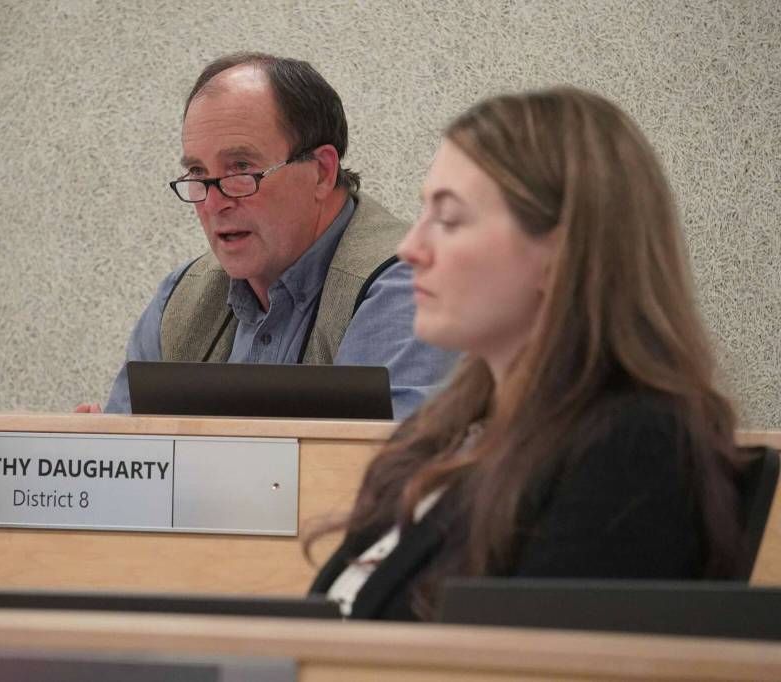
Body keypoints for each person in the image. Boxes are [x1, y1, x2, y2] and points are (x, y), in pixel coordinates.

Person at [307, 87, 746, 620]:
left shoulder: (634, 449)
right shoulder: (445, 430)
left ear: (560, 251)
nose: (410, 248)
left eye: (448, 219)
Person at [77, 53, 456, 420]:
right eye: (197, 172)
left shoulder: (409, 285)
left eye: (241, 168)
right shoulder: (179, 299)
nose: (213, 203)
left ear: (322, 171)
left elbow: (388, 474)